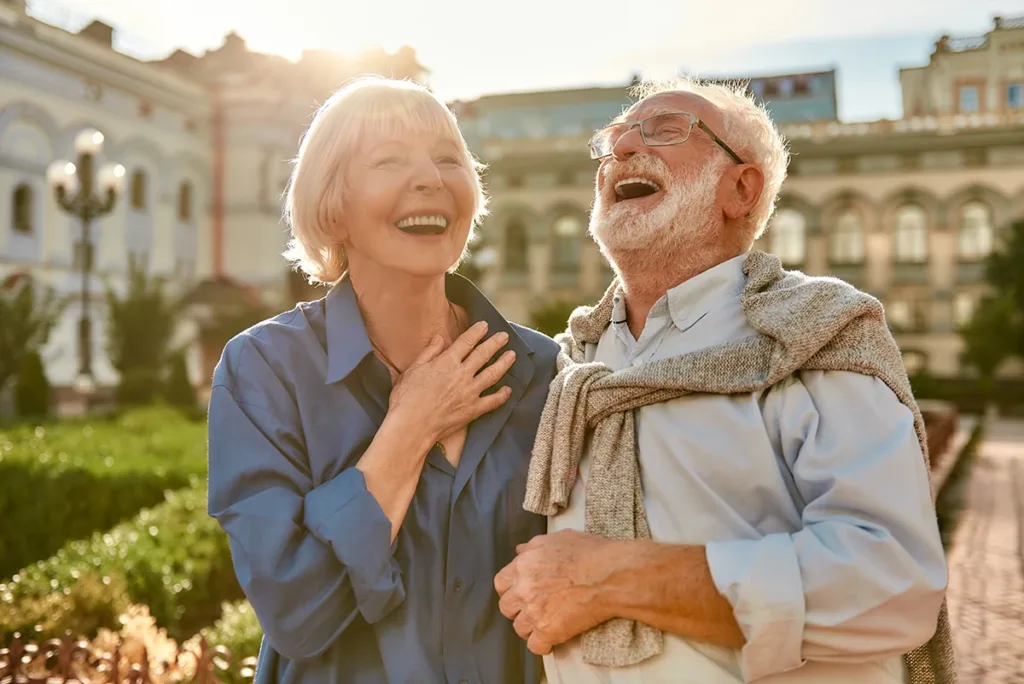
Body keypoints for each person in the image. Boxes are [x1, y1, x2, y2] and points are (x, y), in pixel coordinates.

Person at [494, 78, 955, 684]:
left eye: (663, 130)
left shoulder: (811, 333)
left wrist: (612, 578)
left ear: (741, 188)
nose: (624, 149)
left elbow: (892, 584)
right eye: (612, 141)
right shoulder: (567, 366)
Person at [207, 76, 558, 684]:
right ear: (333, 203)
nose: (430, 178)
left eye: (448, 159)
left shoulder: (543, 370)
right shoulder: (263, 370)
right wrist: (410, 427)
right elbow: (297, 613)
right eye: (390, 159)